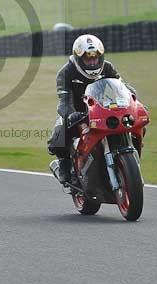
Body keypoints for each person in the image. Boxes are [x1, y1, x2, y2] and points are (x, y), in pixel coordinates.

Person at [46, 34, 131, 188]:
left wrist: (133, 99)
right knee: (59, 132)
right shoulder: (66, 72)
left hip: (104, 110)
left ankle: (129, 155)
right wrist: (71, 114)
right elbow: (64, 102)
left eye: (95, 57)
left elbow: (122, 87)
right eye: (88, 58)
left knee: (134, 120)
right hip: (78, 113)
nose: (93, 62)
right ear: (78, 58)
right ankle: (64, 164)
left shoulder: (107, 67)